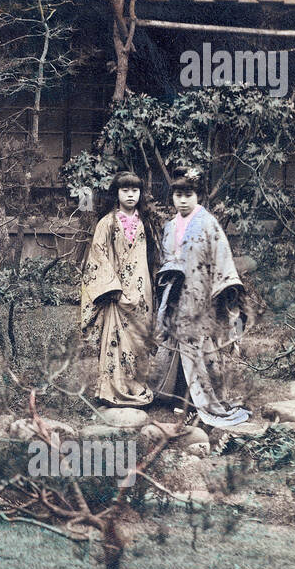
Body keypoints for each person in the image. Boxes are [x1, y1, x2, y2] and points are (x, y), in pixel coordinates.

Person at [150, 168, 250, 429]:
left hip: (201, 292)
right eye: (178, 195)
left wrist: (225, 289)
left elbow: (222, 257)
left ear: (198, 196)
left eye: (188, 195)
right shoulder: (170, 227)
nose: (182, 200)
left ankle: (200, 401)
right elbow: (164, 259)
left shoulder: (208, 223)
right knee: (176, 343)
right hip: (176, 292)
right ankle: (177, 395)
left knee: (196, 344)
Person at [79, 171, 154, 407]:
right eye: (125, 190)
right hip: (116, 294)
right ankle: (111, 390)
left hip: (141, 294)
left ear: (140, 193)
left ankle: (135, 386)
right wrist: (114, 288)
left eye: (134, 190)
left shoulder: (147, 222)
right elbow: (97, 256)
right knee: (114, 340)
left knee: (139, 341)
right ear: (117, 193)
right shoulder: (107, 223)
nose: (130, 195)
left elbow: (153, 257)